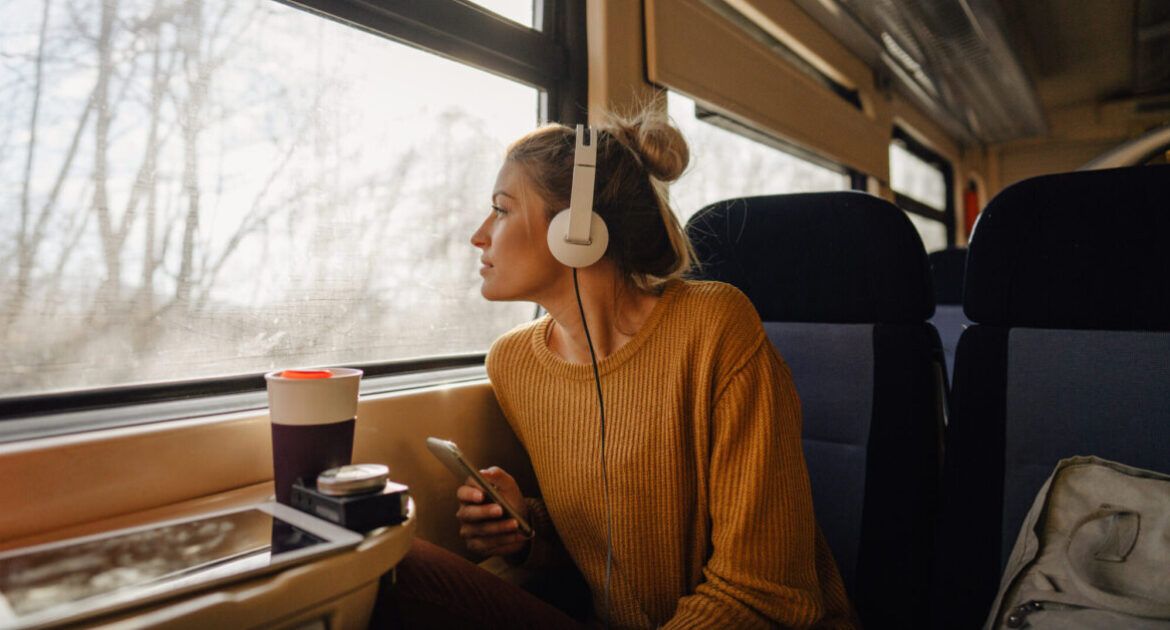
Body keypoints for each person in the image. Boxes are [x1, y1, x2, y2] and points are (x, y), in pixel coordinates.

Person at [373, 110, 856, 629]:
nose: (478, 235)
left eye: (501, 210)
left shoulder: (714, 325)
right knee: (395, 568)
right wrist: (527, 532)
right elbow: (608, 556)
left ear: (575, 228)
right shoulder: (513, 364)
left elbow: (765, 592)